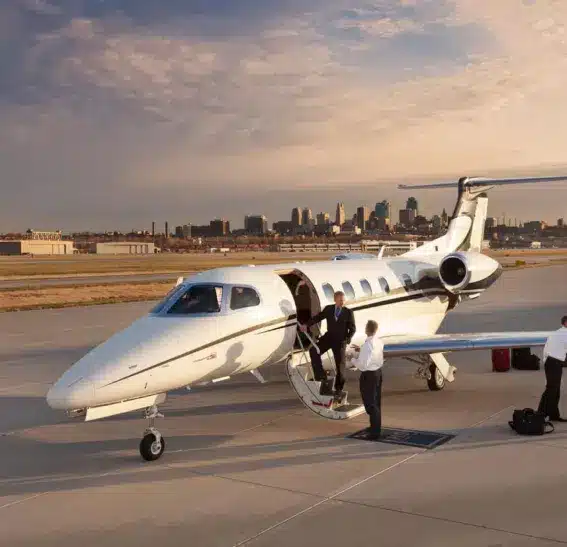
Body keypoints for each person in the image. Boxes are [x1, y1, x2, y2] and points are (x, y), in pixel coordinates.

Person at [299, 291, 356, 397]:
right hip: (329, 337)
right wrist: (306, 325)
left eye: (343, 300)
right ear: (335, 300)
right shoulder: (329, 309)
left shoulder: (348, 312)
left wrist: (347, 339)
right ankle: (321, 376)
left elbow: (352, 329)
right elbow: (318, 317)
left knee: (340, 366)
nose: (342, 302)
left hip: (340, 341)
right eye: (340, 300)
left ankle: (339, 389)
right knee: (314, 350)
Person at [348, 320, 384, 439]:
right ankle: (375, 427)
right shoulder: (378, 342)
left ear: (367, 329)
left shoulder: (368, 345)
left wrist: (352, 359)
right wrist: (361, 349)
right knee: (376, 402)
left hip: (369, 376)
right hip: (378, 373)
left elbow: (362, 365)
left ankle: (375, 433)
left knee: (370, 404)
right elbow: (372, 353)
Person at [537, 315, 567, 422]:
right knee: (551, 389)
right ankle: (540, 415)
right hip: (554, 362)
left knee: (555, 389)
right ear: (565, 323)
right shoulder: (564, 333)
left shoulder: (556, 333)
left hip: (552, 362)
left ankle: (554, 415)